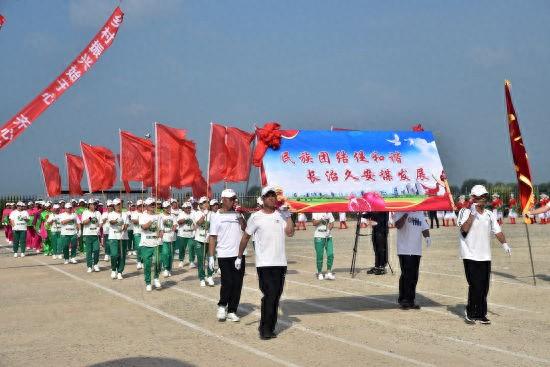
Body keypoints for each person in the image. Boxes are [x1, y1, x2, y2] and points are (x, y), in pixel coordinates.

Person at [237, 186, 294, 340]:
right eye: (268, 196)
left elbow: (290, 233)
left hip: (280, 262)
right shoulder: (256, 217)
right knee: (269, 295)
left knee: (276, 296)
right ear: (262, 199)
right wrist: (239, 256)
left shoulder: (281, 215)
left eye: (273, 196)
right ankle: (265, 329)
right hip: (264, 264)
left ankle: (270, 326)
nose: (271, 198)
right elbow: (246, 237)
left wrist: (288, 216)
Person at [458, 185, 512, 324]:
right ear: (474, 198)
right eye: (481, 197)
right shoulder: (464, 211)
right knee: (475, 285)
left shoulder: (489, 214)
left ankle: (481, 314)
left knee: (484, 286)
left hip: (485, 255)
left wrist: (504, 244)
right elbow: (463, 230)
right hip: (470, 254)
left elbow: (497, 231)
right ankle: (471, 312)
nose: (484, 199)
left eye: (485, 196)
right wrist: (472, 214)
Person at [208, 189, 246, 322]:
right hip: (224, 254)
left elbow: (245, 229)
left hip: (239, 254)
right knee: (227, 281)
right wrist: (211, 256)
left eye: (234, 199)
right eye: (230, 199)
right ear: (223, 200)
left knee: (237, 283)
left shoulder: (238, 214)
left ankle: (232, 310)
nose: (233, 201)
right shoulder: (216, 216)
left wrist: (241, 217)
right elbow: (212, 237)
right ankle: (222, 305)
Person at [394, 211, 430, 310]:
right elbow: (398, 225)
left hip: (416, 249)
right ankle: (403, 300)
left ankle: (411, 300)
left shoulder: (420, 213)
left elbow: (424, 227)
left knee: (414, 276)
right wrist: (405, 214)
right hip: (404, 249)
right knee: (406, 274)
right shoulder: (400, 211)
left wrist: (427, 236)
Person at [139, 198, 162, 291]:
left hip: (156, 243)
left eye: (154, 204)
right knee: (147, 264)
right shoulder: (142, 216)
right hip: (146, 244)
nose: (153, 206)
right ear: (146, 206)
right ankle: (148, 282)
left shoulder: (159, 216)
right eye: (151, 204)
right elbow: (144, 227)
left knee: (158, 261)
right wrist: (152, 220)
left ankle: (156, 277)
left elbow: (161, 230)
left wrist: (161, 233)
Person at [192, 196, 215, 287]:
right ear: (200, 205)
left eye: (207, 202)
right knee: (201, 260)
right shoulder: (196, 213)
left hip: (210, 241)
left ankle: (209, 276)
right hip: (199, 240)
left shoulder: (212, 214)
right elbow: (197, 224)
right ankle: (202, 277)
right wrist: (204, 215)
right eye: (204, 202)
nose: (207, 204)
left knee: (211, 258)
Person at [108, 198, 129, 280]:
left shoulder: (125, 214)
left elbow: (127, 225)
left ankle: (120, 271)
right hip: (113, 237)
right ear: (114, 206)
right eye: (117, 205)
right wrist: (117, 221)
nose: (118, 206)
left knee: (122, 255)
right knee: (114, 254)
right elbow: (111, 222)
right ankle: (113, 269)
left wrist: (123, 228)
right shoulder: (111, 214)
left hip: (123, 237)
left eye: (120, 204)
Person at [311, 212, 335, 280]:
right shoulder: (316, 211)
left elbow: (332, 223)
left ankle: (329, 272)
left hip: (328, 236)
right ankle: (319, 272)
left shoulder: (329, 212)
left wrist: (329, 230)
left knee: (330, 254)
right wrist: (321, 219)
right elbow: (314, 223)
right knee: (320, 255)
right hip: (319, 235)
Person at [81, 199, 102, 273]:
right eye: (92, 204)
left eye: (95, 204)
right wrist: (90, 218)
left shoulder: (98, 213)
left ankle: (95, 264)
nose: (94, 205)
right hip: (87, 234)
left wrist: (99, 228)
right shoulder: (85, 212)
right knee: (89, 251)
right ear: (89, 205)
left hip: (95, 234)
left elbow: (100, 222)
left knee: (96, 250)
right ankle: (89, 266)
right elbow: (84, 222)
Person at [176, 201, 195, 268]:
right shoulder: (181, 214)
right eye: (186, 208)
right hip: (182, 234)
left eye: (189, 208)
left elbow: (196, 223)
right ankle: (181, 260)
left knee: (191, 248)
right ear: (184, 208)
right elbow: (178, 222)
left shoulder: (193, 213)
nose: (188, 209)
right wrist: (184, 219)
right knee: (182, 248)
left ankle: (192, 261)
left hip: (191, 234)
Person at [159, 201, 176, 277]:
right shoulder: (160, 216)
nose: (168, 209)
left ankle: (169, 268)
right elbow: (158, 226)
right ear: (163, 208)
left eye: (169, 207)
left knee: (171, 254)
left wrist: (173, 230)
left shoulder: (173, 216)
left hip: (172, 236)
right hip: (164, 236)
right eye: (166, 207)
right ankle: (165, 268)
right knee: (165, 253)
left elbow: (175, 225)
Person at [130, 199, 144, 269]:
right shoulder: (134, 213)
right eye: (140, 206)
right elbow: (134, 221)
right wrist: (142, 220)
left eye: (143, 206)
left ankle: (142, 261)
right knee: (139, 248)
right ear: (137, 206)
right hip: (137, 232)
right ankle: (139, 261)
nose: (141, 207)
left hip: (144, 233)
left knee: (144, 248)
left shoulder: (145, 213)